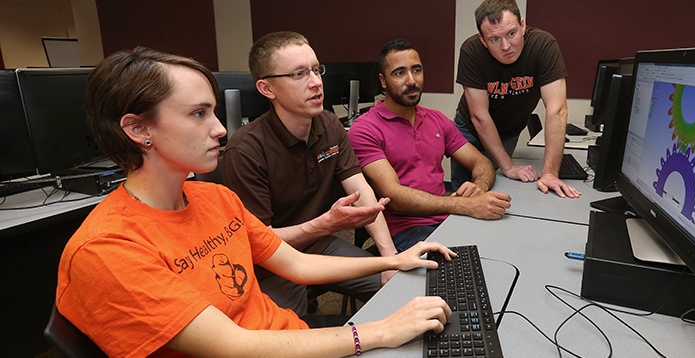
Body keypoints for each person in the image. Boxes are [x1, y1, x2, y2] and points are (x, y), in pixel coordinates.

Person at [55, 46, 455, 357]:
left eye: (213, 111)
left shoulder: (214, 197)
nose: (219, 130)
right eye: (198, 114)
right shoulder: (107, 249)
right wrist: (379, 331)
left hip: (286, 338)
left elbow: (296, 263)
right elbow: (235, 345)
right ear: (138, 128)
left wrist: (394, 259)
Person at [222, 31, 399, 316]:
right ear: (267, 89)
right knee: (289, 339)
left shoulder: (329, 124)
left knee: (399, 287)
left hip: (319, 244)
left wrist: (390, 259)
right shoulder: (244, 151)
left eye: (317, 70)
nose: (316, 82)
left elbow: (361, 190)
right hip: (270, 261)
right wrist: (326, 223)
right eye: (299, 74)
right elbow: (259, 241)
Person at [349, 39, 512, 250]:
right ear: (383, 81)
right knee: (476, 260)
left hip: (446, 219)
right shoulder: (365, 129)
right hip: (405, 231)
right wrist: (466, 205)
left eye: (416, 70)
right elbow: (394, 196)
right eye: (399, 73)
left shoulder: (436, 120)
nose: (411, 80)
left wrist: (479, 186)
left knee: (507, 240)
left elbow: (481, 162)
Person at [451, 0, 581, 199]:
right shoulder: (471, 51)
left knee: (495, 181)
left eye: (511, 33)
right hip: (468, 126)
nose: (506, 46)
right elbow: (479, 115)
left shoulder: (543, 45)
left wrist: (549, 173)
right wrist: (509, 166)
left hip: (508, 130)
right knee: (464, 190)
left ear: (522, 25)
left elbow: (557, 110)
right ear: (483, 40)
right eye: (494, 39)